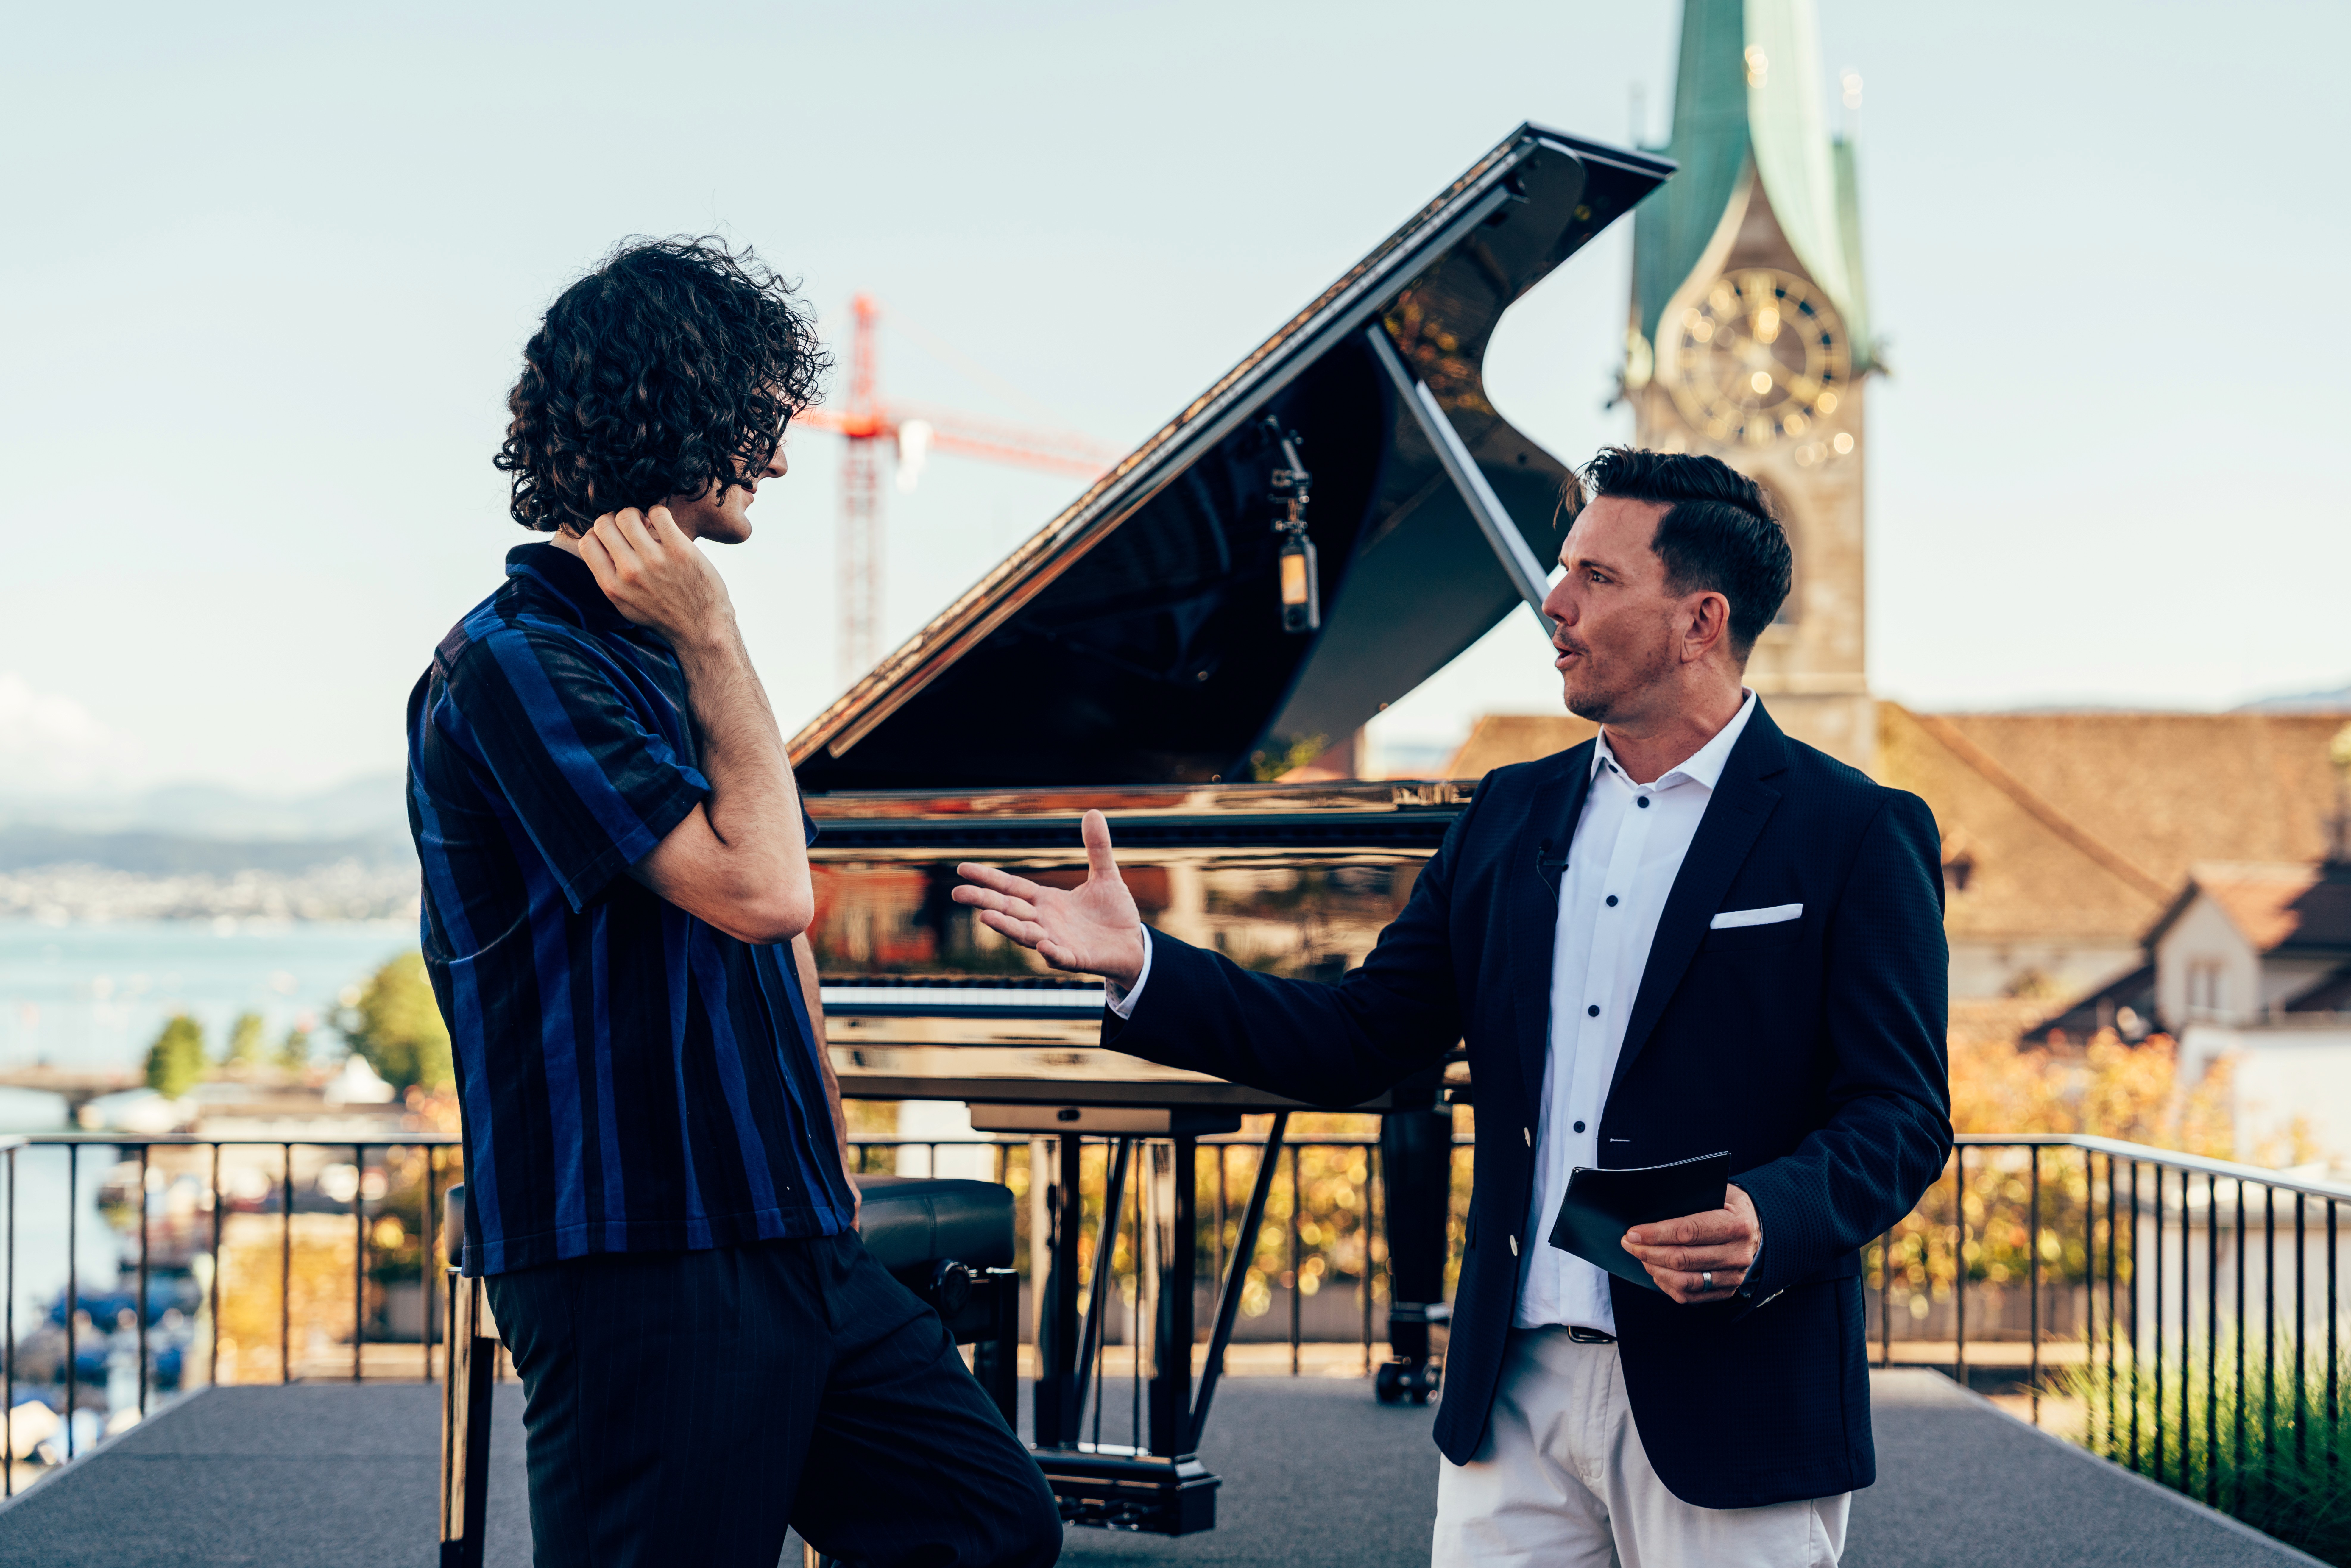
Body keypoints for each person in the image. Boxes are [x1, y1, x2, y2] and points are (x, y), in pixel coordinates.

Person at [954, 448, 1951, 1567]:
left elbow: (1901, 1117)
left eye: (1597, 579)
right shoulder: (1506, 815)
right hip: (1509, 1393)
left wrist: (1773, 1215)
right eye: (1561, 570)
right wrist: (1144, 964)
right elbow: (1358, 1038)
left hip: (1738, 1390)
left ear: (1699, 620)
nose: (1554, 603)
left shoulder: (1856, 829)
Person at [407, 236, 1062, 1568]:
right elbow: (762, 891)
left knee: (990, 1531)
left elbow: (790, 930)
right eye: (756, 422)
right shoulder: (518, 666)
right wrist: (715, 630)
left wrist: (821, 1154)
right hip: (643, 1248)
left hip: (785, 1224)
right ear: (676, 411)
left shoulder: (656, 665)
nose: (774, 459)